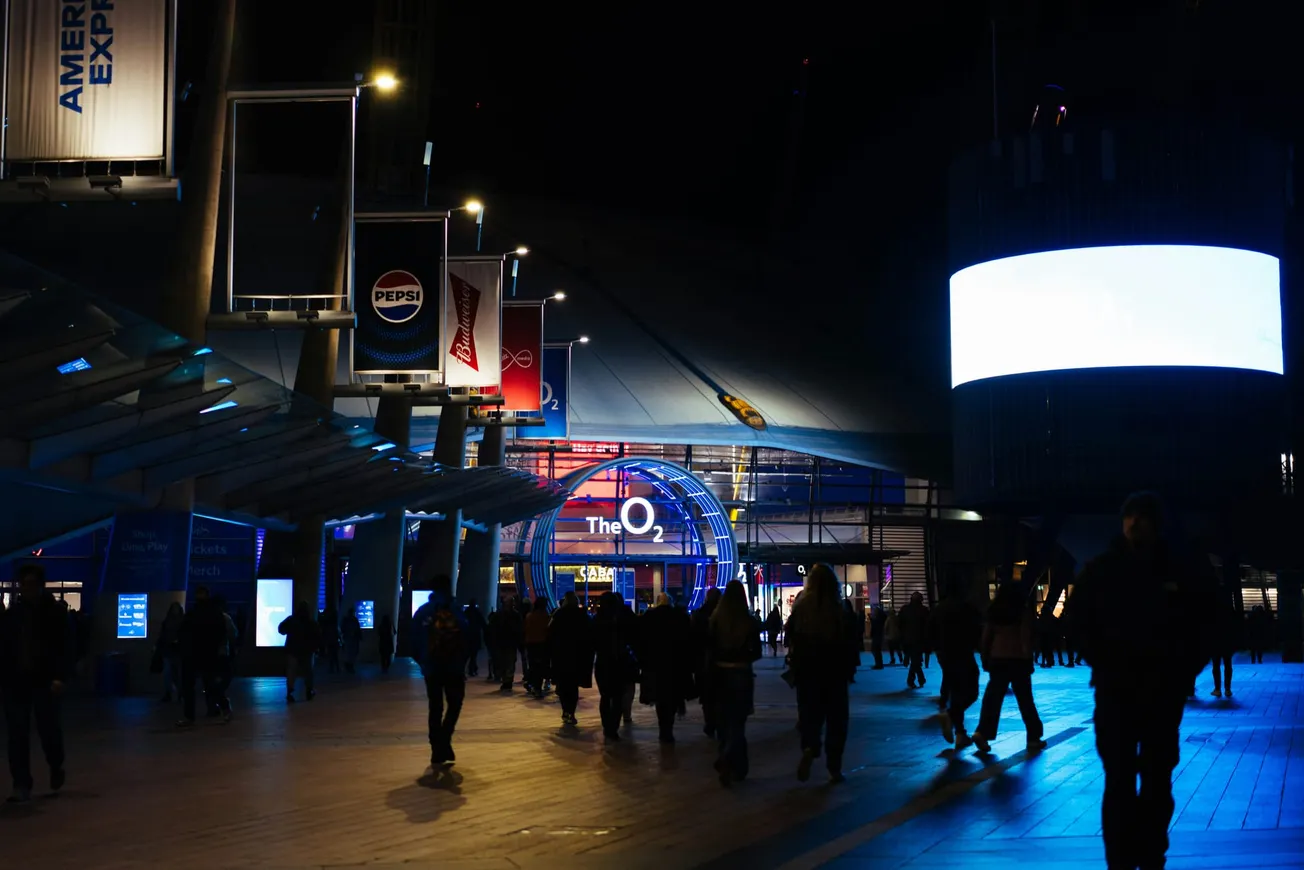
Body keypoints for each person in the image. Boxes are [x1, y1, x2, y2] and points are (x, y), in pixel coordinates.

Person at [1064, 491, 1219, 870]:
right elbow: (1076, 622)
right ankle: (1125, 859)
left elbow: (1208, 625)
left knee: (1152, 780)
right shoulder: (1107, 570)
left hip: (1152, 691)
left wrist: (1182, 670)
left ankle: (1147, 856)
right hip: (1125, 690)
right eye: (1129, 516)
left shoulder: (1174, 571)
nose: (1134, 522)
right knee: (1123, 780)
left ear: (1156, 524)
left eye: (1142, 517)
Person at [0, 565, 67, 803]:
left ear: (39, 585)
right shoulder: (13, 616)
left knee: (48, 730)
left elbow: (63, 648)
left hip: (43, 680)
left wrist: (59, 676)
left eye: (30, 584)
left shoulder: (54, 613)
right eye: (23, 584)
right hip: (16, 681)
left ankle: (56, 763)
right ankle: (21, 784)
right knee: (17, 735)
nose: (26, 589)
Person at [788, 563, 858, 784]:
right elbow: (850, 641)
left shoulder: (801, 607)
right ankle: (834, 767)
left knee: (810, 714)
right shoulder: (839, 608)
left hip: (807, 671)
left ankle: (810, 747)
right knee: (837, 720)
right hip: (834, 672)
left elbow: (790, 635)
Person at [972, 583, 1044, 754]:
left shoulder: (993, 612)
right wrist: (1029, 659)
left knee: (992, 700)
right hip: (1018, 660)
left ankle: (982, 732)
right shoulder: (1022, 612)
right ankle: (1033, 738)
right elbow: (1025, 638)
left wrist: (985, 657)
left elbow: (986, 638)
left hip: (997, 659)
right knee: (1025, 700)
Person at [708, 580, 763, 786]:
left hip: (720, 674)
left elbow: (709, 649)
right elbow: (756, 652)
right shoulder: (748, 621)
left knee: (724, 720)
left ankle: (727, 756)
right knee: (738, 722)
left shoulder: (715, 620)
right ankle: (734, 762)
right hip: (741, 674)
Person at [412, 586, 469, 767]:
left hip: (432, 668)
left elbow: (412, 640)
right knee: (455, 704)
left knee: (435, 707)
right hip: (454, 669)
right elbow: (469, 638)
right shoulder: (456, 611)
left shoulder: (423, 612)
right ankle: (445, 738)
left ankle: (436, 747)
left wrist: (423, 662)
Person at [929, 584, 983, 750]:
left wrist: (936, 648)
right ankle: (953, 719)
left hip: (946, 654)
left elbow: (930, 631)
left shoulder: (938, 609)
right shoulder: (966, 608)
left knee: (955, 692)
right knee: (971, 691)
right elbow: (976, 630)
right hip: (963, 653)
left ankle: (960, 732)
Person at [639, 593, 694, 744]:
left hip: (655, 664)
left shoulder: (649, 618)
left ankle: (663, 728)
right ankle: (668, 728)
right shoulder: (679, 617)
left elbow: (641, 642)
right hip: (675, 664)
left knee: (660, 699)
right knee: (672, 696)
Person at [593, 592, 639, 743]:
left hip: (603, 663)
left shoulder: (597, 619)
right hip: (620, 662)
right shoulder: (623, 618)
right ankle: (613, 728)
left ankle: (607, 726)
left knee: (605, 697)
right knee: (618, 697)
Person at [177, 585, 226, 727]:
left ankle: (189, 716)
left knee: (192, 685)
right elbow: (220, 633)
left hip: (194, 653)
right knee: (210, 684)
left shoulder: (193, 613)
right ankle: (224, 707)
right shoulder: (214, 613)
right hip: (207, 653)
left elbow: (184, 631)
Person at [548, 591, 595, 728]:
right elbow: (589, 635)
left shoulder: (558, 614)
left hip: (561, 655)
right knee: (573, 686)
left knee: (563, 685)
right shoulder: (582, 615)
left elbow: (550, 632)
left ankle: (565, 711)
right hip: (577, 656)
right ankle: (571, 712)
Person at [691, 587, 723, 738]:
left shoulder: (698, 615)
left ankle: (710, 722)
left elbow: (694, 640)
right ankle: (718, 722)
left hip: (703, 662)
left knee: (707, 695)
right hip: (720, 661)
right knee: (720, 694)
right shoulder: (725, 615)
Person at [278, 601, 321, 703]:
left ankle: (290, 692)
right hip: (307, 651)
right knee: (308, 672)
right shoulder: (311, 622)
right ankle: (309, 690)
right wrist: (316, 648)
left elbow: (281, 629)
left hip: (292, 650)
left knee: (291, 672)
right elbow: (317, 637)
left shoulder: (291, 620)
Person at [1210, 600, 1242, 698]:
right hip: (1227, 642)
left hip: (1215, 642)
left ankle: (1217, 689)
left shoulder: (1213, 612)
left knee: (1216, 666)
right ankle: (1228, 689)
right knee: (1228, 665)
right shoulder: (1230, 612)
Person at [897, 592, 930, 688]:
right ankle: (918, 679)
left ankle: (917, 679)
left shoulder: (905, 609)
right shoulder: (924, 610)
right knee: (916, 660)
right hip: (918, 640)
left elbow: (899, 624)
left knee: (915, 660)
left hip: (907, 639)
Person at [493, 597, 525, 692]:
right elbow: (519, 629)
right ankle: (508, 681)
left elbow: (494, 629)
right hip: (511, 642)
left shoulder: (499, 615)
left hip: (503, 642)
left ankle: (506, 680)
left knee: (504, 662)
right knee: (509, 662)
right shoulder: (515, 615)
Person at [155, 602, 185, 702]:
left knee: (170, 673)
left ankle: (171, 693)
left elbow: (162, 635)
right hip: (176, 650)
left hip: (171, 650)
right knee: (175, 673)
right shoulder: (183, 621)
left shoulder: (167, 621)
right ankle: (179, 693)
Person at [523, 597, 551, 698]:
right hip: (542, 644)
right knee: (541, 666)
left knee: (533, 665)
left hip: (530, 643)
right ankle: (538, 686)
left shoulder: (529, 616)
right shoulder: (546, 616)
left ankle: (533, 683)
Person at [463, 598, 487, 677]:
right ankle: (472, 669)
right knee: (473, 654)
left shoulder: (466, 612)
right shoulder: (477, 612)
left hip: (467, 636)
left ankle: (466, 669)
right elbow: (483, 623)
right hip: (475, 636)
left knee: (466, 655)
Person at [340, 606, 361, 674]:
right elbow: (358, 629)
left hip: (349, 638)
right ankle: (349, 666)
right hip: (351, 639)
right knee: (351, 653)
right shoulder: (354, 620)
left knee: (349, 653)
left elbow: (342, 629)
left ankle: (348, 665)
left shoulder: (347, 620)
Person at [869, 604, 887, 669]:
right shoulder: (880, 619)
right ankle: (879, 663)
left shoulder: (877, 619)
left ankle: (878, 664)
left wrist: (872, 620)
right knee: (876, 651)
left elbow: (875, 627)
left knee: (875, 650)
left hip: (877, 636)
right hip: (878, 636)